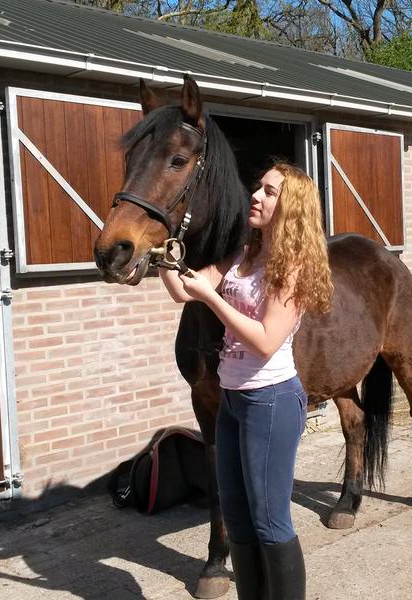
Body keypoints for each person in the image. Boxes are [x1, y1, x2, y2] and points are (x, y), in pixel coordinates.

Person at [158, 162, 334, 600]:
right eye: (260, 187)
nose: (256, 195)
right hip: (234, 401)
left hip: (271, 401)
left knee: (270, 520)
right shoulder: (242, 253)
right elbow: (185, 290)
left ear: (290, 207)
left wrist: (211, 298)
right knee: (237, 517)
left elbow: (266, 341)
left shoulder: (291, 266)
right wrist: (164, 254)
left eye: (270, 192)